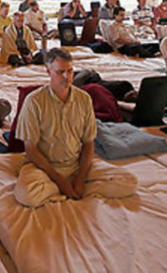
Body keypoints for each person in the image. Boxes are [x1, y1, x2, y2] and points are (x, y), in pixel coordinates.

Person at [13, 48, 138, 208]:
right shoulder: (34, 101)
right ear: (48, 72)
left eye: (70, 71)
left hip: (74, 164)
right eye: (60, 72)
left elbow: (88, 143)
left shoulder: (83, 99)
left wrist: (80, 179)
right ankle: (68, 190)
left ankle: (71, 190)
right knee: (27, 195)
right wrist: (59, 180)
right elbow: (30, 149)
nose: (66, 77)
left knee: (129, 182)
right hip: (44, 168)